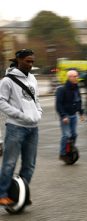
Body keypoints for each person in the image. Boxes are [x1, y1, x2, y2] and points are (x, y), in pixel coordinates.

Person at [0, 49, 42, 206]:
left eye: (32, 62)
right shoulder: (7, 81)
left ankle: (20, 193)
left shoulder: (32, 79)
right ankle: (2, 193)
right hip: (16, 127)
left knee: (29, 164)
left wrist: (38, 113)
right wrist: (19, 114)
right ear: (19, 60)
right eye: (27, 61)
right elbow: (1, 102)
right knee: (10, 163)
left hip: (33, 127)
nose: (30, 65)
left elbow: (36, 100)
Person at [56, 70, 84, 161]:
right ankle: (62, 153)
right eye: (74, 76)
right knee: (66, 135)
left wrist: (81, 113)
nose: (77, 78)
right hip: (66, 116)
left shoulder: (76, 88)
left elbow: (78, 101)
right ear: (69, 77)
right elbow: (58, 104)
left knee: (74, 135)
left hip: (73, 115)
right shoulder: (62, 89)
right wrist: (63, 116)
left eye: (77, 76)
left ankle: (70, 149)